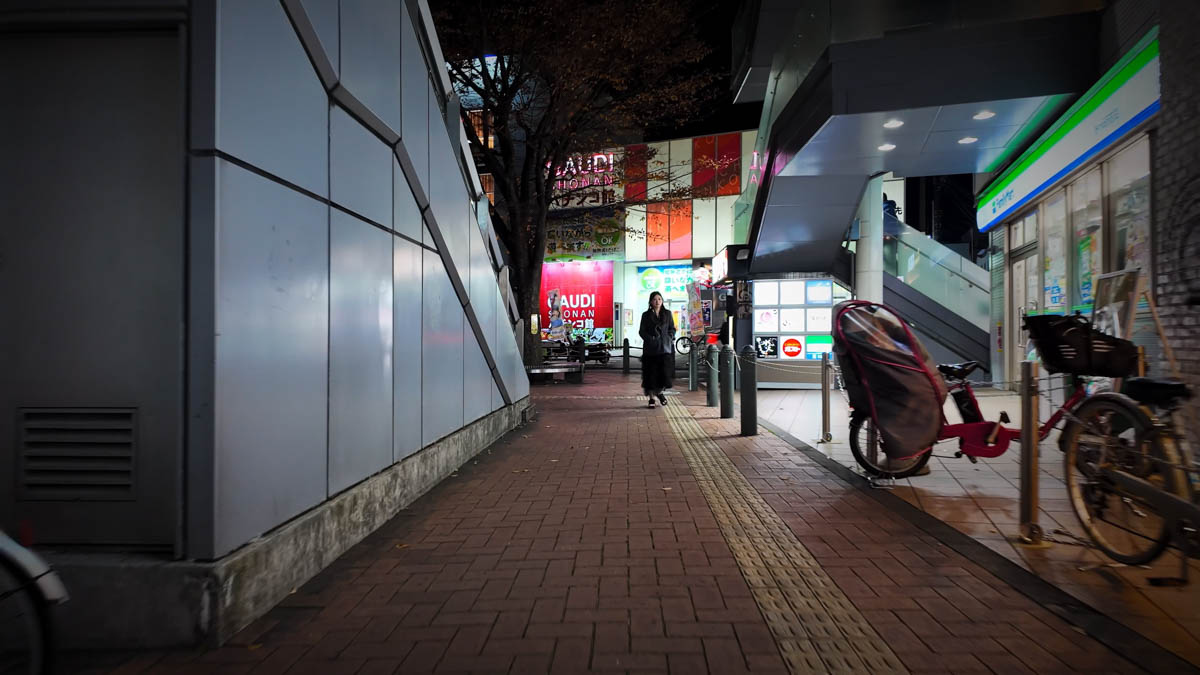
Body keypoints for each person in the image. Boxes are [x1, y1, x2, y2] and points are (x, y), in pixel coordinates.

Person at [639, 291, 675, 408]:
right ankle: (651, 399)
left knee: (664, 375)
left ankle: (659, 392)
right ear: (650, 302)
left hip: (664, 349)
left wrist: (669, 337)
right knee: (650, 376)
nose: (657, 301)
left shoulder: (668, 314)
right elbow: (642, 331)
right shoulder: (646, 315)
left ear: (662, 301)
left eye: (659, 299)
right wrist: (651, 339)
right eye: (655, 299)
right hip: (650, 350)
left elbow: (672, 329)